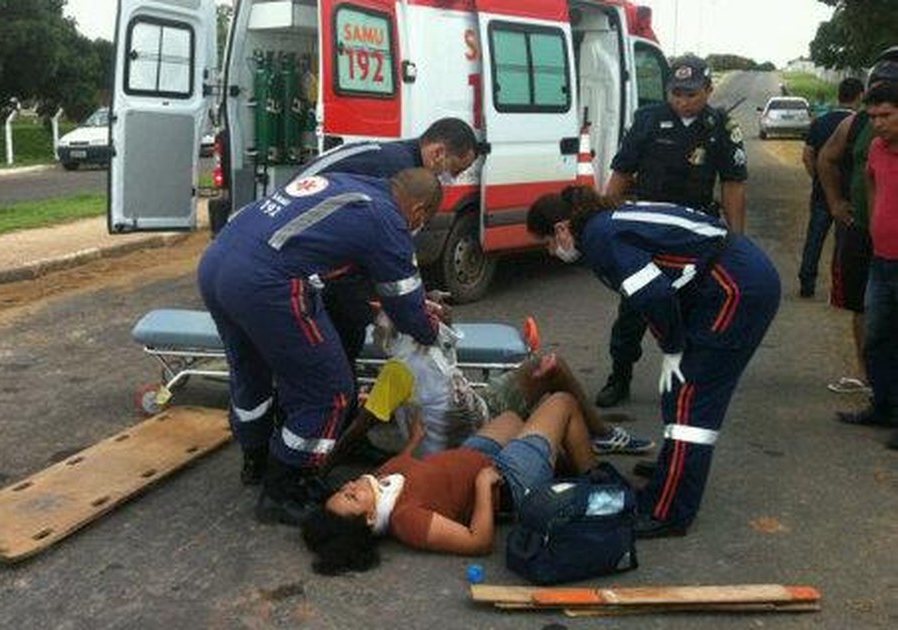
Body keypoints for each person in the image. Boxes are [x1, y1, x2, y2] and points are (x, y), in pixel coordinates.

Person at [526, 185, 780, 538]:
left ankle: (669, 512)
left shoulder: (600, 237)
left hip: (735, 287)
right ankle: (672, 471)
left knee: (693, 400)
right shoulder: (604, 223)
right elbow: (649, 293)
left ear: (561, 229)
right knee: (679, 391)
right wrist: (672, 343)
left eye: (548, 243)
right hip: (724, 280)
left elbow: (654, 294)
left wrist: (674, 347)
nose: (552, 252)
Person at [198, 168, 442, 525]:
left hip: (217, 261)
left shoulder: (354, 183)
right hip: (266, 282)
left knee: (250, 371)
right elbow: (406, 305)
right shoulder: (387, 219)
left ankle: (256, 460)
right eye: (423, 220)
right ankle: (283, 489)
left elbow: (336, 253)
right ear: (419, 211)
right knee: (329, 391)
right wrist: (431, 327)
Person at [291, 118, 479, 458]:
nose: (448, 180)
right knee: (329, 367)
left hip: (314, 257)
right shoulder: (393, 173)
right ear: (438, 152)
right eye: (453, 170)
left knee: (342, 349)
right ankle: (318, 453)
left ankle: (342, 440)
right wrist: (420, 321)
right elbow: (382, 257)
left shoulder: (397, 160)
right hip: (304, 265)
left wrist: (410, 298)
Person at [595, 55, 748, 408]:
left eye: (691, 93)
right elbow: (621, 172)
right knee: (635, 304)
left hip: (695, 235)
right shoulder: (647, 120)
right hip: (646, 232)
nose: (682, 100)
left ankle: (688, 382)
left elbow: (734, 185)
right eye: (676, 92)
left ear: (708, 90)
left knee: (694, 308)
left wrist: (737, 241)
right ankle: (620, 376)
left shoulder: (721, 126)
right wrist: (601, 220)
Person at [301, 393, 598, 574]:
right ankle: (597, 486)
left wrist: (414, 442)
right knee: (561, 403)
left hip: (476, 454)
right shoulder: (407, 520)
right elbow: (478, 542)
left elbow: (405, 471)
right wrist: (483, 485)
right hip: (506, 480)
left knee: (511, 418)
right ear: (369, 518)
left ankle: (559, 459)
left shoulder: (377, 484)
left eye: (343, 490)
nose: (350, 487)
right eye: (351, 498)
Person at [324, 311, 653, 469]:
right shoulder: (398, 370)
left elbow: (366, 422)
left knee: (550, 367)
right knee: (553, 379)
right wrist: (324, 463)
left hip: (478, 409)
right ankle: (591, 442)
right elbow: (360, 426)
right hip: (481, 425)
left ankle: (596, 436)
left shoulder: (421, 346)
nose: (434, 313)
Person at [818, 53, 898, 401]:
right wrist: (837, 203)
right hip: (867, 238)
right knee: (864, 308)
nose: (879, 118)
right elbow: (826, 158)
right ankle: (873, 383)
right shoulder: (859, 127)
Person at [855, 80, 898, 443]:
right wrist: (874, 222)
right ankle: (883, 407)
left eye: (886, 115)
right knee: (877, 339)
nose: (878, 123)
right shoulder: (876, 148)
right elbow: (871, 184)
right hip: (882, 260)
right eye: (873, 116)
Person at [800, 78, 864, 299]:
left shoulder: (820, 122)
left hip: (821, 194)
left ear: (839, 95)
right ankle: (839, 289)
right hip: (847, 196)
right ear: (860, 96)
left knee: (814, 240)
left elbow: (807, 156)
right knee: (842, 244)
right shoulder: (857, 125)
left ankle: (806, 284)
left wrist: (818, 179)